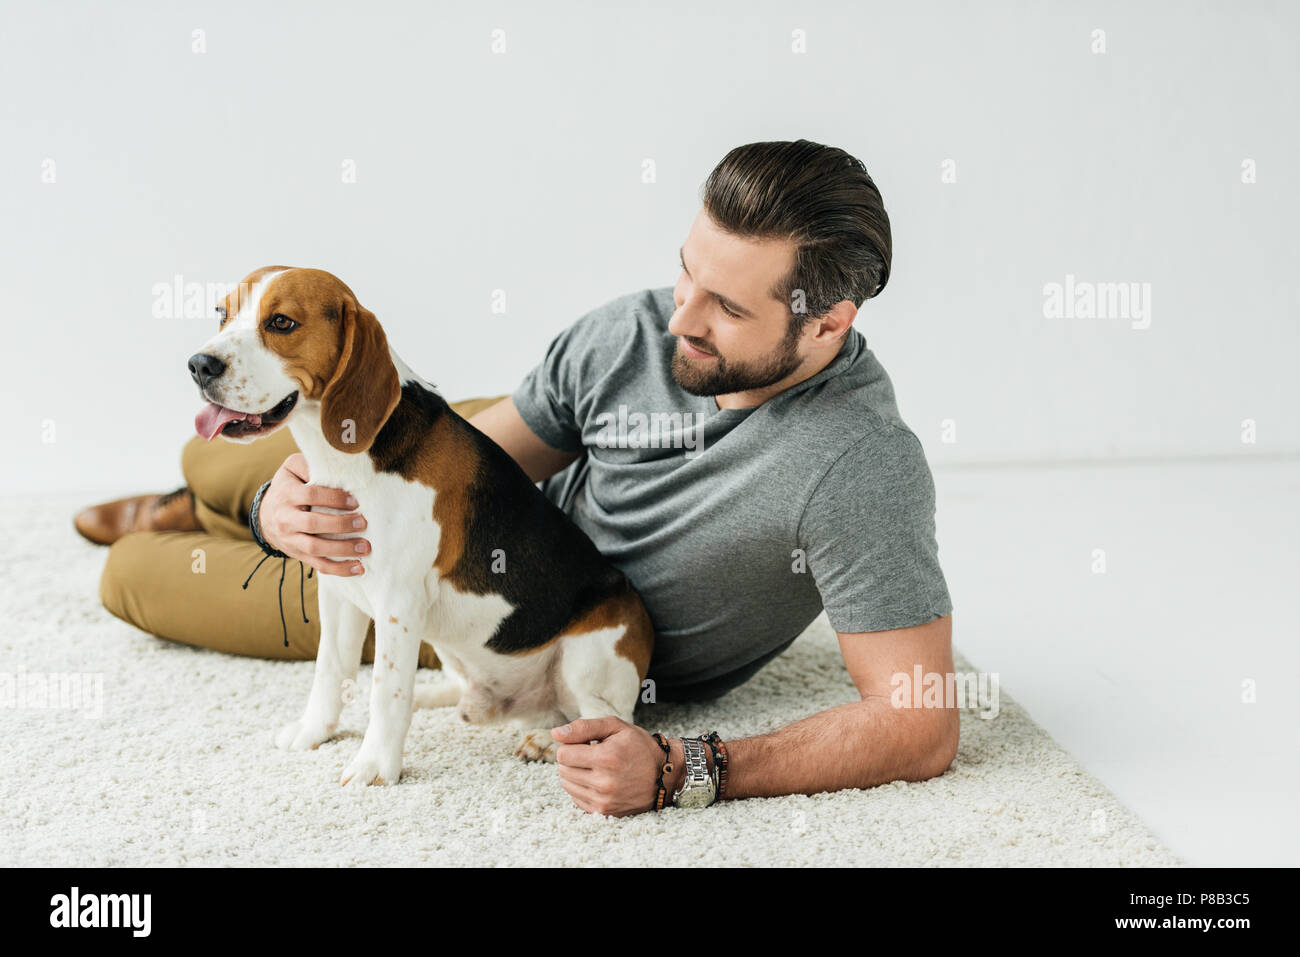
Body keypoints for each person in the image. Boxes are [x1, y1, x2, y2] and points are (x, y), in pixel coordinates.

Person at [81, 139, 957, 816]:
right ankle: (213, 498)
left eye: (726, 307)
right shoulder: (630, 332)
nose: (676, 317)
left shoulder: (859, 466)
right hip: (485, 506)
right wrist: (283, 506)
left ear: (827, 324)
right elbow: (469, 455)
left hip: (508, 611)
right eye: (685, 271)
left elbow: (920, 723)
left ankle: (194, 513)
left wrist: (695, 766)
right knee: (221, 455)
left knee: (132, 579)